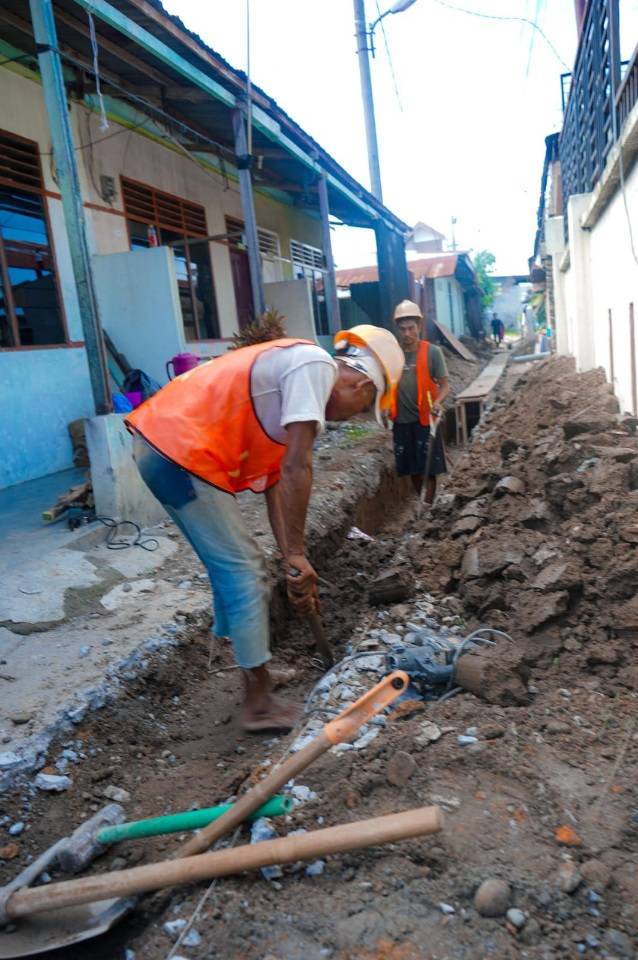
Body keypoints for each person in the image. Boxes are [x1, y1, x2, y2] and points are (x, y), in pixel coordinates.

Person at [125, 326, 404, 732]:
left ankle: (256, 670)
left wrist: (293, 558)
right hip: (178, 450)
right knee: (245, 569)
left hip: (168, 447)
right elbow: (296, 467)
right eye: (362, 409)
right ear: (362, 386)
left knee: (232, 566)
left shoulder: (293, 386)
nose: (351, 417)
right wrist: (296, 554)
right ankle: (258, 703)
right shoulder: (314, 366)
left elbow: (276, 484)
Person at [390, 300, 450, 505]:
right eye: (402, 329)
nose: (407, 333)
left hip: (425, 420)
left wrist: (438, 402)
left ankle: (427, 508)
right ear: (397, 329)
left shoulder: (432, 352)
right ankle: (423, 503)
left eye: (411, 328)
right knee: (412, 471)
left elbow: (444, 386)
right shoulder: (392, 354)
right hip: (401, 422)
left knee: (428, 469)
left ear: (419, 327)